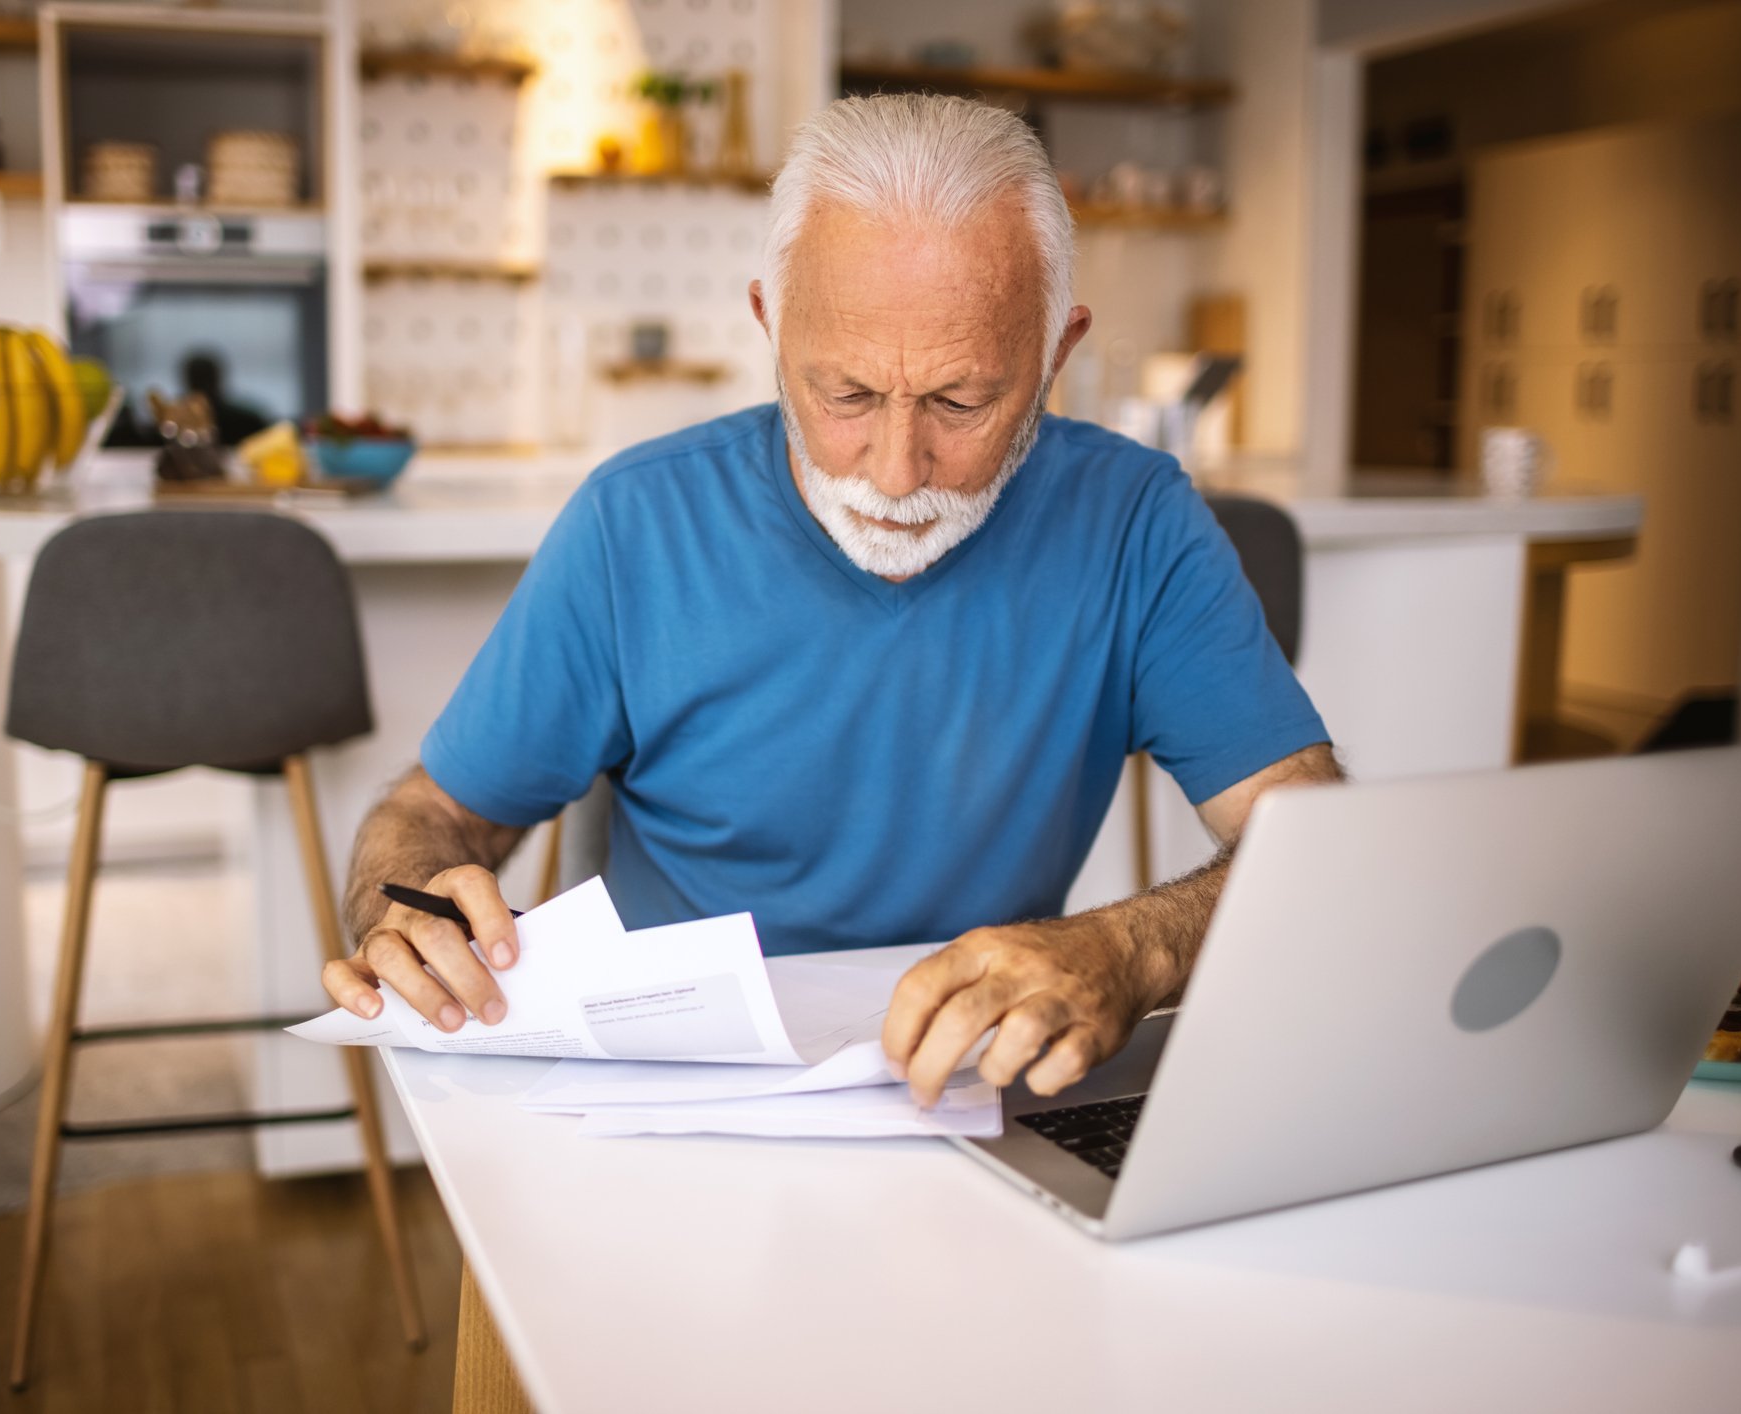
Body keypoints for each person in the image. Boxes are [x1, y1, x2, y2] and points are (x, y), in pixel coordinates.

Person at [321, 94, 1342, 1105]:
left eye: (960, 401)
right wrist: (398, 906)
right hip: (674, 1095)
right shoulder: (635, 522)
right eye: (844, 395)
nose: (896, 474)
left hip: (972, 1088)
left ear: (1054, 354)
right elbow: (432, 813)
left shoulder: (1133, 520)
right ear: (768, 322)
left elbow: (1313, 841)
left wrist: (1129, 948)